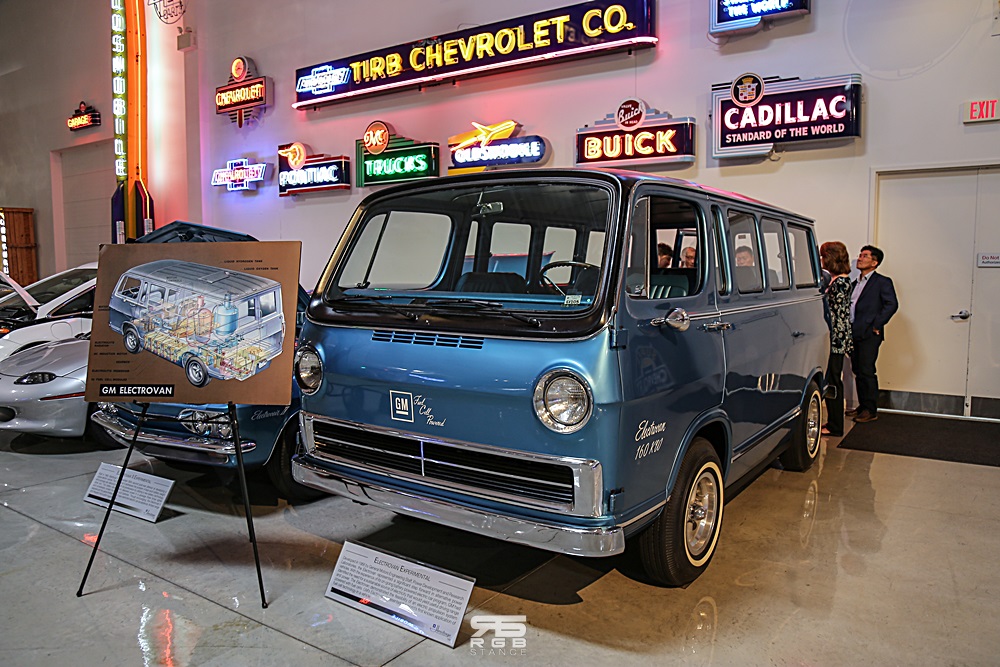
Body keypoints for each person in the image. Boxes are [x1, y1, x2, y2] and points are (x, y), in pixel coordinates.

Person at [848, 245, 898, 423]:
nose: (860, 258)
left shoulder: (882, 282)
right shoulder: (855, 283)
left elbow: (891, 304)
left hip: (869, 333)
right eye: (860, 255)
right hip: (854, 332)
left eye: (865, 256)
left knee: (867, 370)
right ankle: (862, 406)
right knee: (858, 370)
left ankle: (870, 409)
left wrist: (877, 324)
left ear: (875, 262)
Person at [819, 241, 853, 437]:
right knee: (832, 378)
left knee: (833, 380)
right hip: (836, 336)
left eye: (823, 256)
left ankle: (835, 425)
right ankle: (833, 422)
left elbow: (835, 314)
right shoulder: (837, 280)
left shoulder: (840, 283)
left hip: (836, 338)